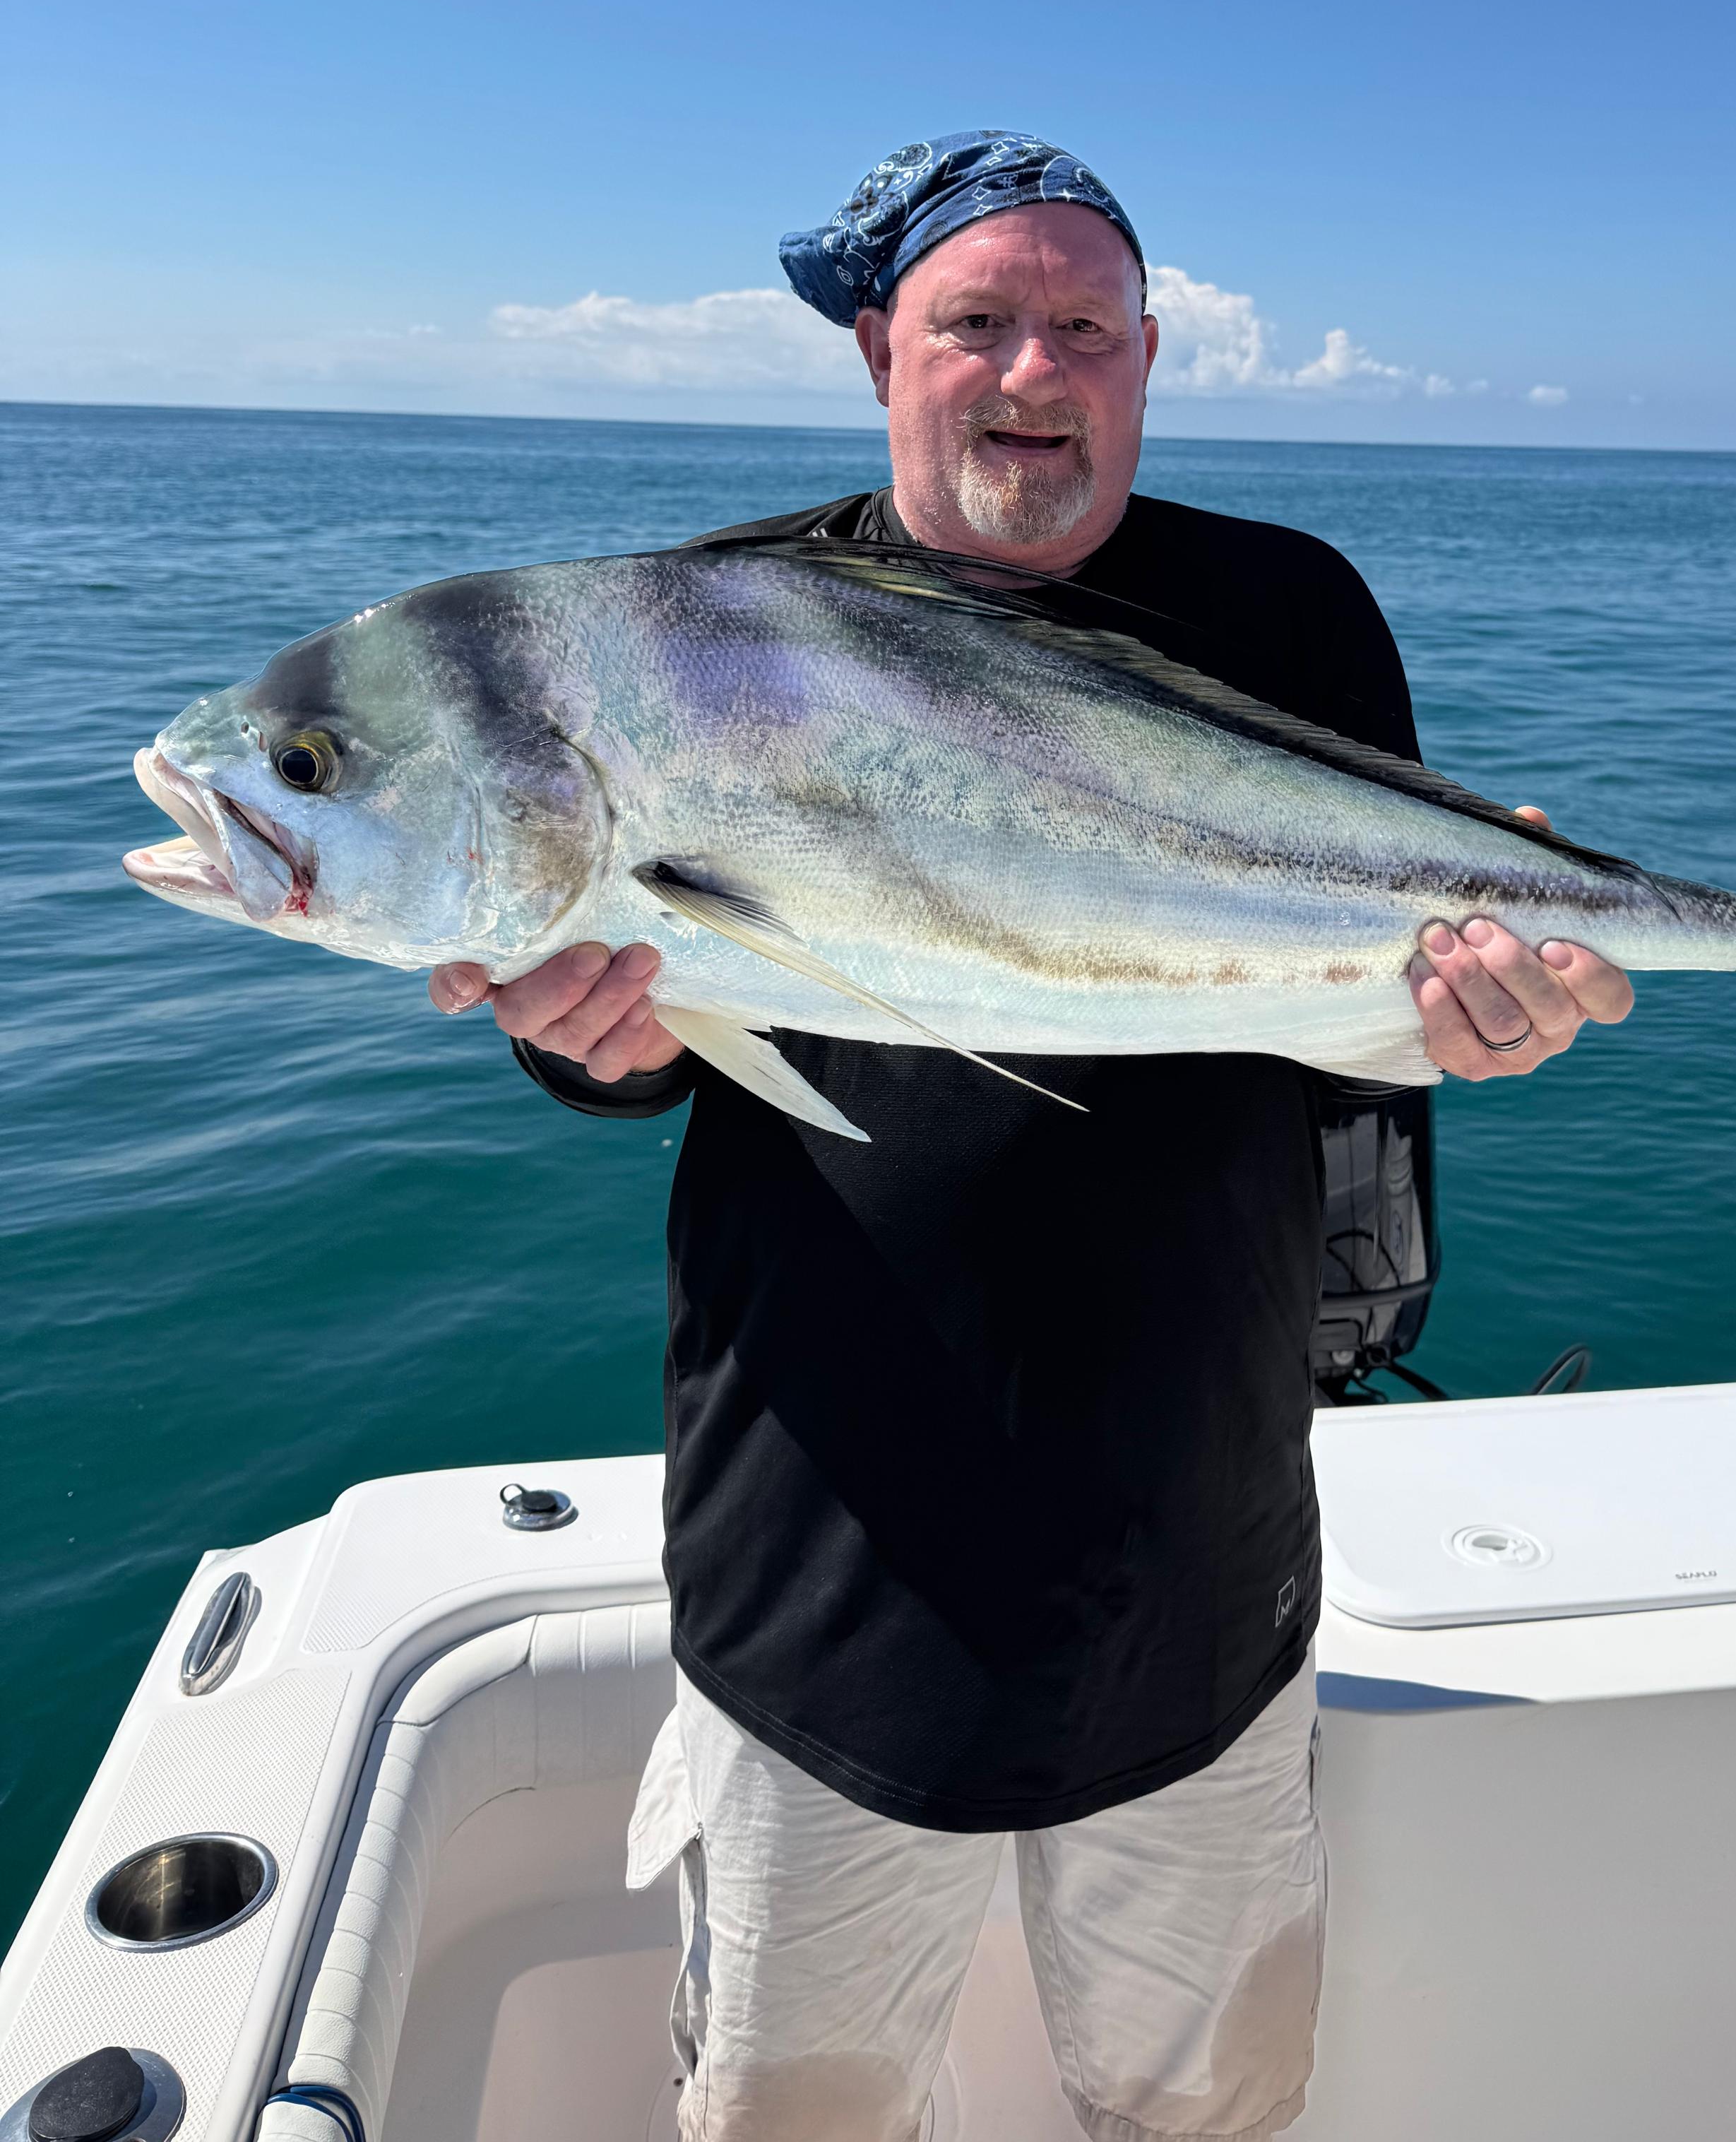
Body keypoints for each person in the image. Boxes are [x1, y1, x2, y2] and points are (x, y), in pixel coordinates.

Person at [432, 132, 1634, 2142]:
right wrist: (590, 1044)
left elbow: (1355, 1011)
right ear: (876, 352)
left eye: (1085, 326)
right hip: (825, 1560)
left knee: (1205, 2110)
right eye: (975, 320)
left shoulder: (1289, 605)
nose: (1032, 369)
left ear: (1149, 358)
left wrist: (1472, 1028)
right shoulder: (705, 635)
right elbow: (641, 1038)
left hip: (1207, 1549)